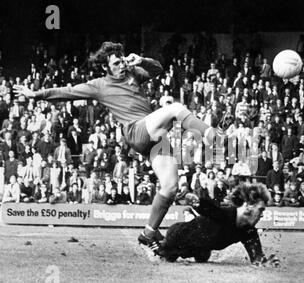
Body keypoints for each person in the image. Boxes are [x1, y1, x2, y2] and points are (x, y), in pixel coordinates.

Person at [14, 41, 219, 251]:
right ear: (106, 67)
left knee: (170, 186)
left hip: (153, 136)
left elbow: (158, 69)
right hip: (136, 130)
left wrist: (141, 60)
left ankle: (149, 232)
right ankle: (211, 134)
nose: (121, 65)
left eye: (122, 61)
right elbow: (68, 91)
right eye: (116, 63)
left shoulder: (133, 73)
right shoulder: (99, 85)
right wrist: (36, 94)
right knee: (175, 107)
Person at [156, 183, 279, 267]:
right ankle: (155, 236)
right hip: (177, 238)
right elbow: (209, 207)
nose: (261, 215)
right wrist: (194, 200)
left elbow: (257, 258)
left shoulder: (248, 231)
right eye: (261, 210)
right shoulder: (225, 213)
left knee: (203, 258)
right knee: (164, 257)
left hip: (202, 251)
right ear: (248, 207)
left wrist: (265, 262)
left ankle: (189, 216)